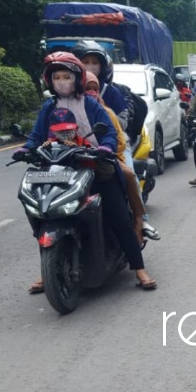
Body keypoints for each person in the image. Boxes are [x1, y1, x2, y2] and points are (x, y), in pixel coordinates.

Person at [16, 52, 156, 292]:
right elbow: (36, 136)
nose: (61, 81)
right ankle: (48, 269)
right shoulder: (48, 107)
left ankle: (139, 268)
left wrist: (105, 147)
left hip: (94, 166)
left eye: (66, 76)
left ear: (76, 78)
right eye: (56, 77)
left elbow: (110, 133)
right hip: (59, 168)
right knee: (41, 210)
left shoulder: (90, 104)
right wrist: (26, 149)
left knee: (118, 216)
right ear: (49, 81)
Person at [84, 71, 149, 246]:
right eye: (86, 88)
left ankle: (139, 221)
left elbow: (118, 139)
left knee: (128, 174)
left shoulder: (106, 108)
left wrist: (105, 149)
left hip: (108, 156)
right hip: (77, 160)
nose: (90, 92)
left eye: (93, 89)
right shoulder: (62, 108)